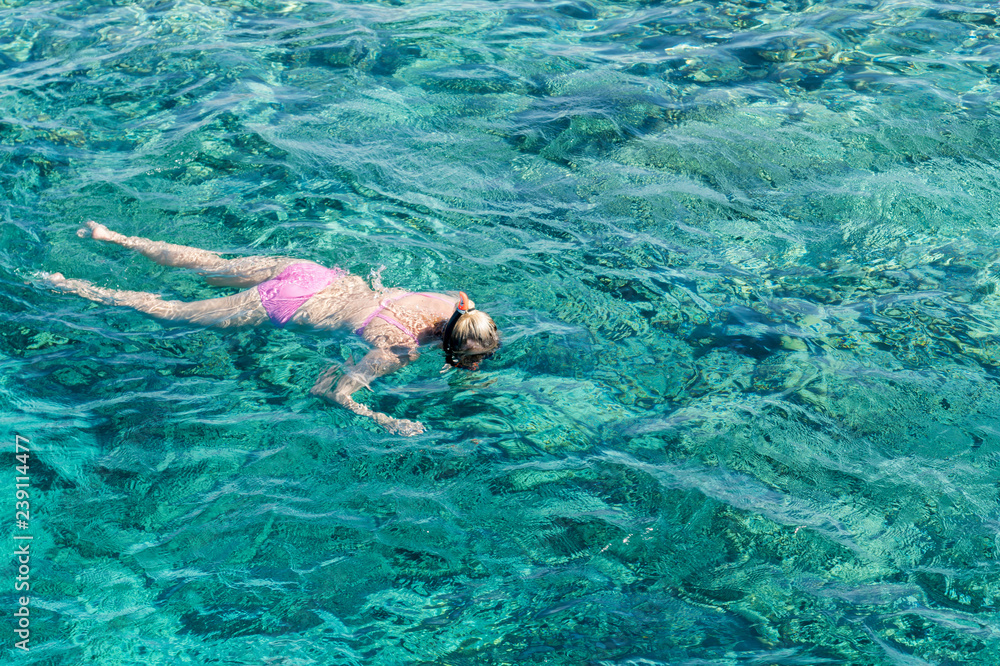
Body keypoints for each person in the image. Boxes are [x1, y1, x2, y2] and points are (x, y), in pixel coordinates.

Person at [42, 222, 499, 436]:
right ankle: (71, 287)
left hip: (313, 274)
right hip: (291, 303)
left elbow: (468, 314)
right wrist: (384, 419)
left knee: (212, 265)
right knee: (175, 313)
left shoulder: (455, 303)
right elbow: (333, 393)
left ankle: (116, 236)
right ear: (454, 353)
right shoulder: (400, 350)